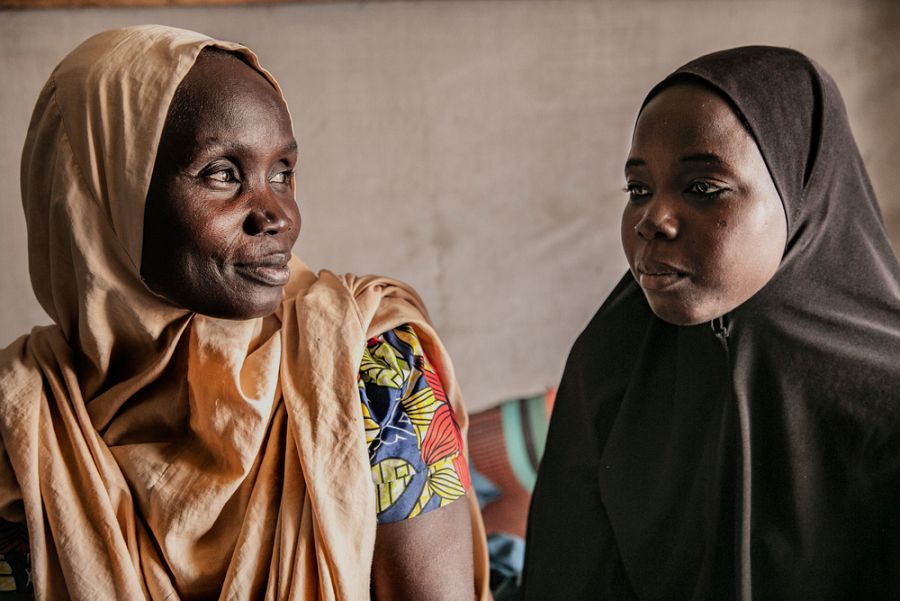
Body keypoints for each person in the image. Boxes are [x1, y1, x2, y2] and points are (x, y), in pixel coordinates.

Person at [0, 25, 489, 600]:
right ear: (98, 195)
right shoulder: (24, 423)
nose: (276, 215)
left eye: (282, 173)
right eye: (223, 174)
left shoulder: (369, 368)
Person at [523, 46, 900, 600]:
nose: (651, 220)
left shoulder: (884, 404)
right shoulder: (611, 360)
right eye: (638, 190)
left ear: (803, 193)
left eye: (702, 187)